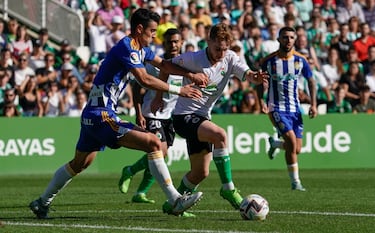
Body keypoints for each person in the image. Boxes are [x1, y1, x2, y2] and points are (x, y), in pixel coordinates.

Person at [29, 8, 208, 219]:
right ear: (139, 29)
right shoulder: (127, 46)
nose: (154, 35)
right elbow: (144, 79)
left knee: (80, 163)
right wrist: (180, 89)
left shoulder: (141, 49)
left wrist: (190, 75)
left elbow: (165, 65)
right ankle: (175, 199)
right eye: (151, 31)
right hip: (101, 115)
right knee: (153, 143)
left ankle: (42, 202)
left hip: (93, 114)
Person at [153, 23, 267, 211]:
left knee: (200, 173)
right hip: (183, 117)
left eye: (224, 49)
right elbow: (165, 66)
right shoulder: (193, 58)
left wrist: (255, 77)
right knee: (220, 135)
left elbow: (247, 75)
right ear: (208, 41)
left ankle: (173, 205)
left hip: (202, 118)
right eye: (217, 49)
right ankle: (228, 189)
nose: (220, 54)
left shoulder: (230, 58)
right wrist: (163, 94)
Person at [118, 28, 185, 207]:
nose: (173, 45)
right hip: (151, 113)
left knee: (158, 156)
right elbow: (137, 88)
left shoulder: (184, 64)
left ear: (181, 43)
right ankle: (131, 171)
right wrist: (139, 113)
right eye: (169, 42)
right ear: (164, 44)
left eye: (176, 41)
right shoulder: (155, 64)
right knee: (159, 152)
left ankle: (140, 191)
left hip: (170, 116)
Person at [258, 26, 317, 191]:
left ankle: (276, 144)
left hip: (295, 109)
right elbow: (259, 82)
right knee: (291, 141)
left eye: (291, 37)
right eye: (285, 37)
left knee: (296, 148)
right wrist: (260, 101)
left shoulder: (300, 60)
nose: (288, 40)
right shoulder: (268, 61)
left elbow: (311, 82)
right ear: (278, 40)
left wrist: (313, 104)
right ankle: (295, 182)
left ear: (295, 39)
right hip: (276, 108)